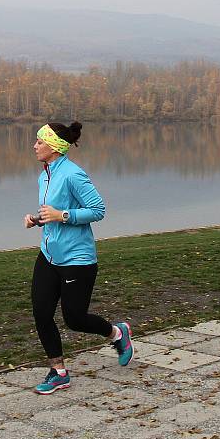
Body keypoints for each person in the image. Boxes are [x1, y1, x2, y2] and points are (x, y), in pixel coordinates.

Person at [24, 121, 133, 394]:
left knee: (74, 318)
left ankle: (117, 333)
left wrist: (63, 216)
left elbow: (97, 209)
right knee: (41, 313)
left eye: (40, 142)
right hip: (49, 255)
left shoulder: (73, 174)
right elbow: (54, 212)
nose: (34, 146)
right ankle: (58, 372)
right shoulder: (45, 174)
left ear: (55, 147)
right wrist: (38, 220)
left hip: (77, 259)